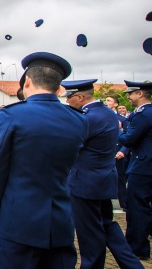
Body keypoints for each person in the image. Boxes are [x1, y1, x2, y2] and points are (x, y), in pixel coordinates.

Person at [0, 52, 88, 268]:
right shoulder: (79, 120)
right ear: (59, 88)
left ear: (28, 81)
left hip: (18, 221)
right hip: (60, 221)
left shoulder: (12, 115)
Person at [62, 79, 143, 269]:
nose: (67, 102)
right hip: (103, 179)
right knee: (108, 225)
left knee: (89, 233)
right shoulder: (106, 112)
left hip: (85, 183)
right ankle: (132, 265)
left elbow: (70, 145)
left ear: (80, 97)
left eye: (70, 97)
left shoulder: (87, 117)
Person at [118, 81, 152, 260]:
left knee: (137, 208)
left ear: (139, 94)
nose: (129, 98)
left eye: (130, 94)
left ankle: (137, 247)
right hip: (147, 163)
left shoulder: (143, 114)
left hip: (143, 166)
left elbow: (129, 139)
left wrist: (118, 130)